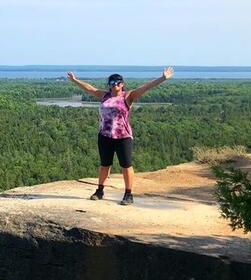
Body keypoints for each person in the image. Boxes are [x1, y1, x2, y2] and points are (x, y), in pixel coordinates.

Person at [66, 67, 174, 205]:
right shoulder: (104, 96)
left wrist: (163, 78)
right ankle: (100, 191)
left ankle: (128, 194)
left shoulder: (128, 96)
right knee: (105, 165)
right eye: (112, 82)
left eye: (118, 82)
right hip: (105, 136)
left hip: (123, 136)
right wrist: (75, 80)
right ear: (109, 84)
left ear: (122, 84)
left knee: (126, 165)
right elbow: (90, 88)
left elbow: (146, 87)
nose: (114, 84)